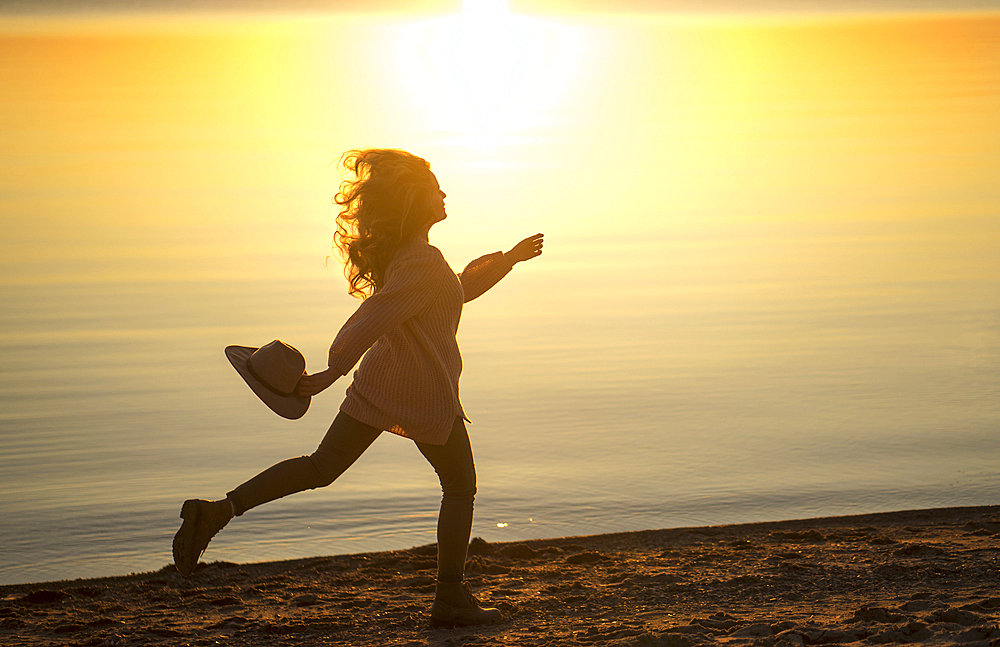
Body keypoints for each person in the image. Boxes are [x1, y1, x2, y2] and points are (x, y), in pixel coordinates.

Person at [172, 148, 544, 627]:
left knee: (321, 467)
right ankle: (450, 598)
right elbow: (373, 317)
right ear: (415, 201)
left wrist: (507, 259)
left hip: (382, 380)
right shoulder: (421, 262)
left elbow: (456, 287)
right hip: (422, 391)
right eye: (436, 190)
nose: (445, 194)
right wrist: (332, 370)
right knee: (460, 486)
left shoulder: (414, 260)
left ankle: (217, 511)